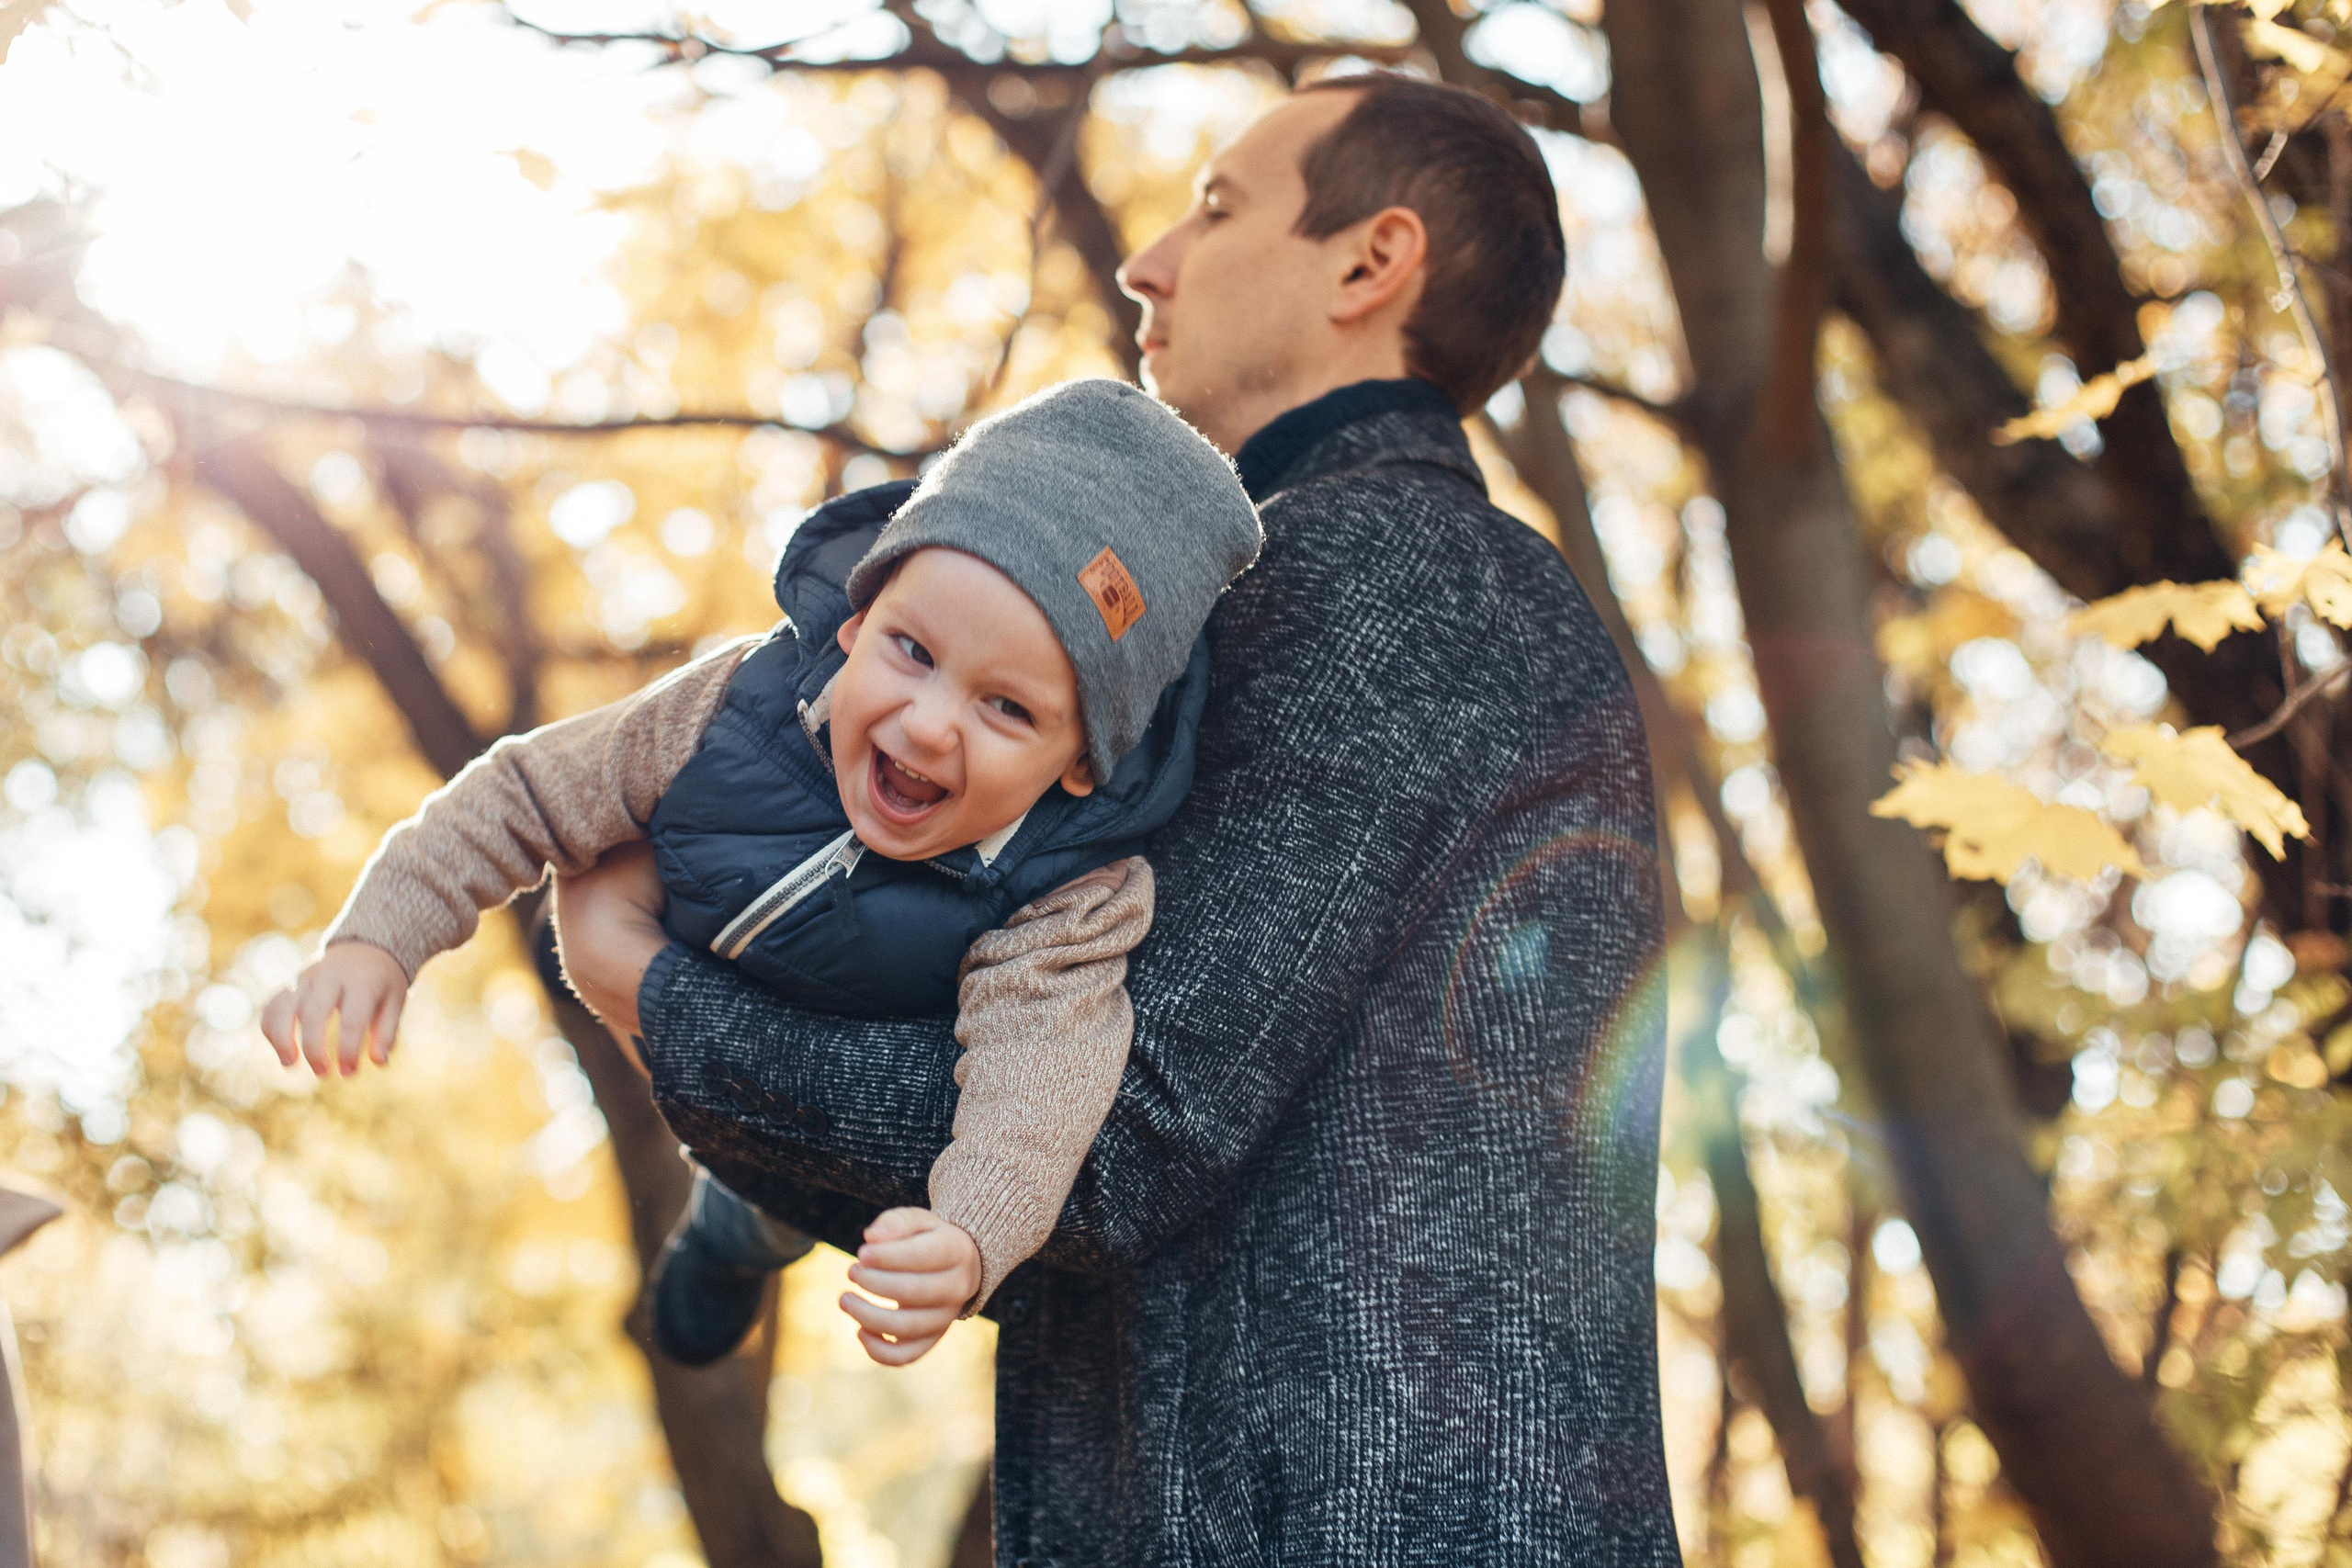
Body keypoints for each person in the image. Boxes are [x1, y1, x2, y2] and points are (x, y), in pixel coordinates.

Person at [559, 73, 1681, 1564]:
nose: (1151, 260)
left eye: (1217, 209)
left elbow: (1115, 1130)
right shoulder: (1318, 587)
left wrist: (659, 992)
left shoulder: (1389, 575)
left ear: (1370, 263)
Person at [258, 380, 1261, 1368]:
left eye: (1007, 709)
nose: (928, 721)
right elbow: (527, 793)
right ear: (854, 624)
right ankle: (710, 1236)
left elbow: (1043, 1078)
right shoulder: (733, 708)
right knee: (718, 1191)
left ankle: (724, 1249)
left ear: (1083, 761)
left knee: (757, 1219)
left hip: (811, 1137)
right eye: (911, 650)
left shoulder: (1067, 887)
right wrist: (376, 937)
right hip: (682, 1049)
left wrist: (970, 1238)